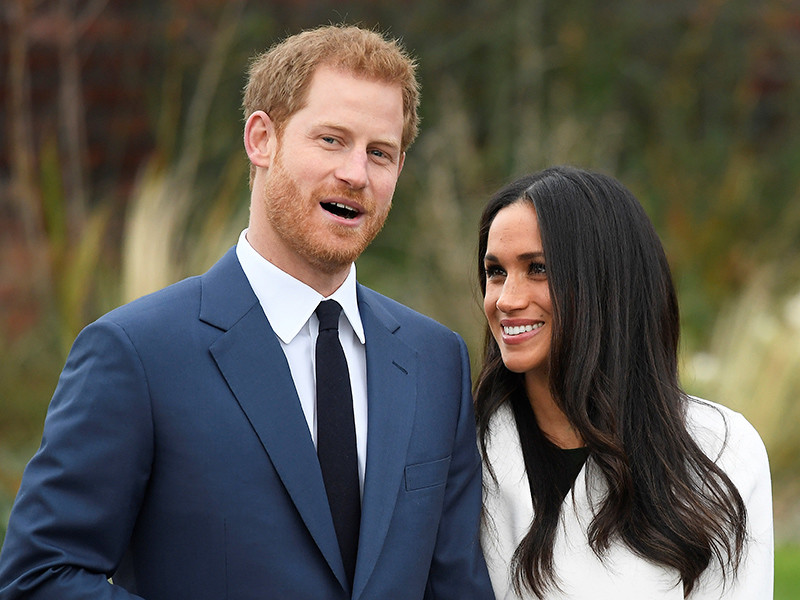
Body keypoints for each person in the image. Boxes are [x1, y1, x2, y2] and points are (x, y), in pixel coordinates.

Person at [0, 25, 494, 600]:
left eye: (378, 153)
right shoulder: (137, 353)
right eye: (331, 140)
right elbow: (40, 576)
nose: (356, 174)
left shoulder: (436, 360)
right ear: (262, 139)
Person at [475, 166, 773, 599]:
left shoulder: (721, 451)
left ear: (606, 281)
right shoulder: (464, 450)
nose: (506, 299)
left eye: (538, 268)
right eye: (496, 272)